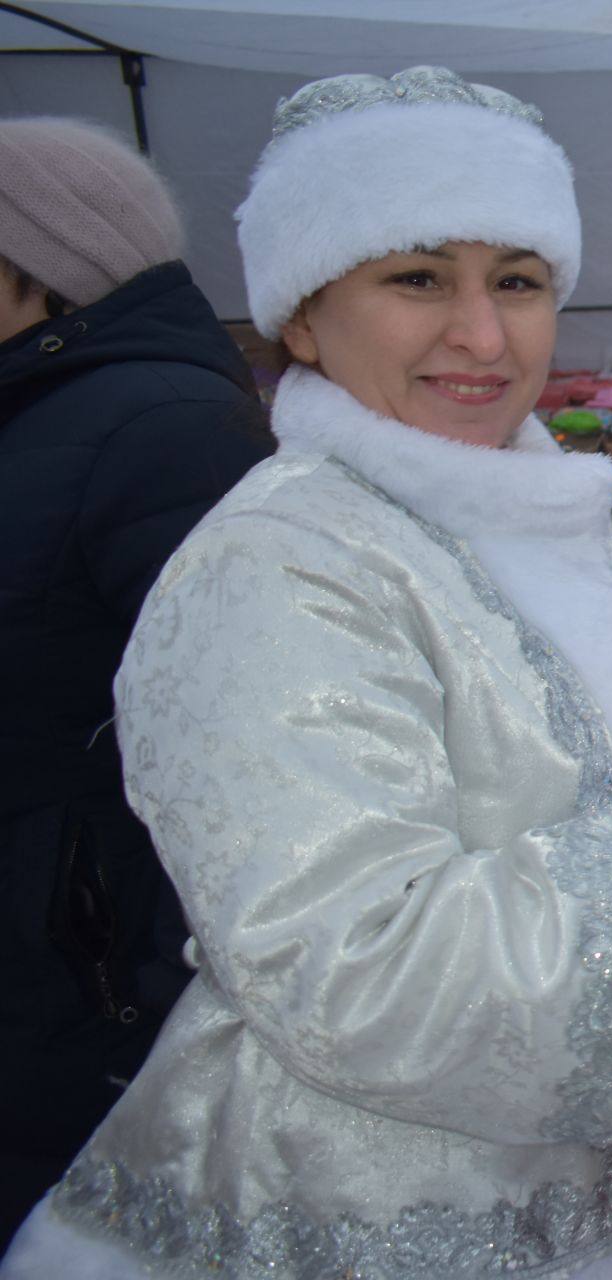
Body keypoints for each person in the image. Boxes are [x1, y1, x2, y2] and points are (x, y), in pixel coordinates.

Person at [0, 68, 612, 1280]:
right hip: (355, 1225)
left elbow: (496, 720)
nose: (483, 336)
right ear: (300, 312)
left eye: (519, 281)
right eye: (416, 276)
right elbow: (360, 970)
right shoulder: (276, 563)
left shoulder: (517, 499)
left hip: (569, 1202)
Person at [0, 117, 274, 1244]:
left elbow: (230, 735)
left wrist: (148, 994)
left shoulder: (165, 426)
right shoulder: (43, 411)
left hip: (83, 980)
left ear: (46, 267)